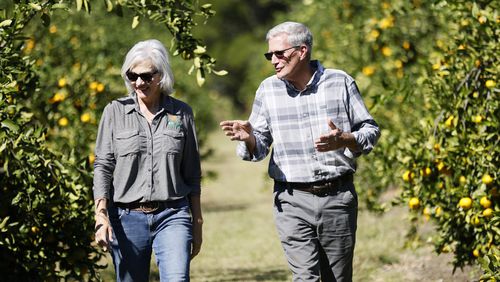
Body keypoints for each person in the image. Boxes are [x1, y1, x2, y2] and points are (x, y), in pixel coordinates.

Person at [220, 22, 380, 281]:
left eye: (279, 53)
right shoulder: (267, 90)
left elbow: (371, 131)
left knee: (337, 278)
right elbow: (258, 149)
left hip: (337, 198)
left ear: (302, 51)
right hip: (291, 200)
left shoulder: (340, 82)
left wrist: (345, 139)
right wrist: (249, 138)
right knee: (305, 277)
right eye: (269, 54)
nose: (273, 60)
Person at [93, 39, 203, 282]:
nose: (139, 83)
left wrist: (197, 222)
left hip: (173, 214)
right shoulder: (114, 111)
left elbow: (192, 173)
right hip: (126, 217)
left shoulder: (182, 113)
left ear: (161, 75)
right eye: (132, 76)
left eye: (146, 76)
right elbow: (103, 166)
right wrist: (100, 214)